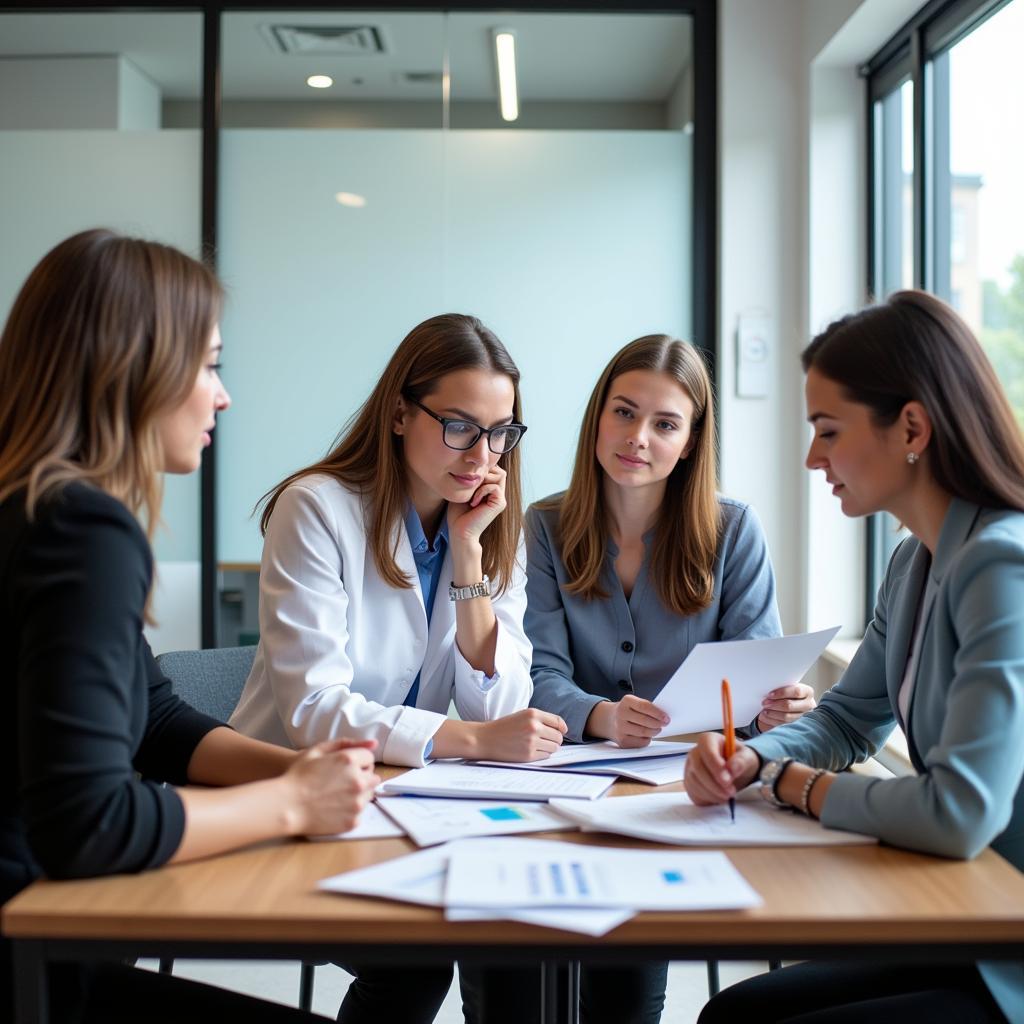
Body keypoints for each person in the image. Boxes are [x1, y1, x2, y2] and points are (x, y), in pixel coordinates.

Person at [0, 229, 380, 1024]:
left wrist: (295, 769)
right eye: (209, 365)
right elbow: (92, 824)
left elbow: (155, 717)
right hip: (32, 958)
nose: (223, 394)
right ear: (132, 367)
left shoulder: (35, 511)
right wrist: (293, 806)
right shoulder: (82, 531)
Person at [685, 290, 1024, 1024]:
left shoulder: (1001, 567)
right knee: (729, 1016)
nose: (813, 458)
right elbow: (847, 720)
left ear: (912, 427)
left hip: (1006, 947)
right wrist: (752, 758)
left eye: (828, 430)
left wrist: (794, 786)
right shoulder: (914, 562)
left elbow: (959, 812)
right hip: (963, 921)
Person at [461, 333, 816, 1024]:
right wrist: (600, 714)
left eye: (664, 423)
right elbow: (533, 671)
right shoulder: (544, 526)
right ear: (598, 418)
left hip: (678, 797)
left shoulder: (732, 529)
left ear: (690, 441)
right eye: (623, 413)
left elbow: (752, 672)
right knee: (509, 964)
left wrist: (779, 707)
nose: (637, 438)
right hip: (558, 782)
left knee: (625, 989)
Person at [229, 313, 567, 1023]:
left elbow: (498, 706)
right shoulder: (317, 508)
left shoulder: (489, 525)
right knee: (412, 965)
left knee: (521, 936)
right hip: (294, 796)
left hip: (407, 804)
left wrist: (471, 556)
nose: (482, 454)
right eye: (459, 426)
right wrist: (471, 743)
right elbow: (316, 710)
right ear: (397, 413)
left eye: (501, 431)